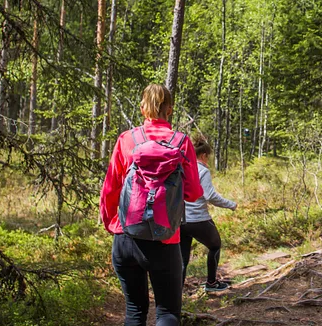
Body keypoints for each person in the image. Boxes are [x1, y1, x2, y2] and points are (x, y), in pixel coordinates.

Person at [100, 84, 202, 326]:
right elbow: (194, 193)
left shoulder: (127, 139)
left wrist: (112, 224)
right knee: (167, 313)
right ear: (169, 109)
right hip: (165, 241)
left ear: (143, 108)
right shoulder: (181, 142)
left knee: (134, 311)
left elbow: (110, 189)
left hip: (126, 237)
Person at [180, 136, 237, 292]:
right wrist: (231, 205)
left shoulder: (183, 167)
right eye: (209, 156)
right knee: (215, 245)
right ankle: (211, 283)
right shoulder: (202, 171)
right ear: (204, 155)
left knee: (182, 257)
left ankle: (176, 292)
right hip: (198, 219)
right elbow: (210, 196)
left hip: (179, 220)